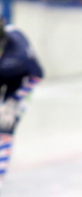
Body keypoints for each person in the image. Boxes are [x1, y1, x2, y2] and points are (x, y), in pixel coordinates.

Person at [0, 18, 44, 187]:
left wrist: (14, 102)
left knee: (5, 125)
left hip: (19, 82)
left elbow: (37, 75)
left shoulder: (17, 54)